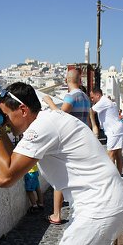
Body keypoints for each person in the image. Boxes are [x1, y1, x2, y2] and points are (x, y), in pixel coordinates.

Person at [0, 82, 123, 245]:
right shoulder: (48, 119)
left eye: (7, 116)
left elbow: (5, 178)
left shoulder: (43, 127)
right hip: (106, 204)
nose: (6, 123)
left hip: (100, 209)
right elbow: (14, 159)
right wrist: (0, 129)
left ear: (23, 110)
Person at [42, 69, 91, 225]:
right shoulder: (85, 97)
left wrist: (49, 102)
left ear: (66, 80)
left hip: (70, 143)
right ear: (80, 80)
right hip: (83, 141)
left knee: (60, 178)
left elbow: (60, 117)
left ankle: (56, 214)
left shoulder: (71, 96)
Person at [90, 88, 123, 174]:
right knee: (118, 154)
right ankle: (118, 175)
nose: (92, 100)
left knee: (110, 154)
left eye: (92, 97)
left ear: (98, 95)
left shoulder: (103, 101)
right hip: (117, 129)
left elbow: (91, 111)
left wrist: (93, 125)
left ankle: (112, 177)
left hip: (113, 131)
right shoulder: (106, 101)